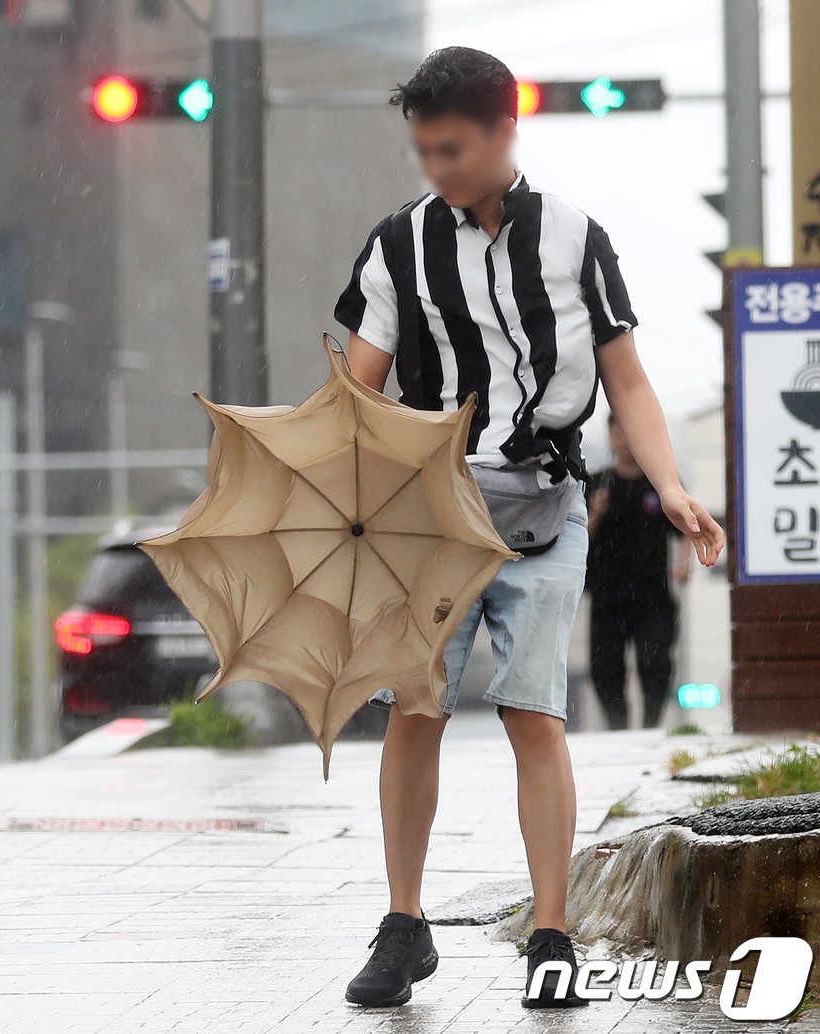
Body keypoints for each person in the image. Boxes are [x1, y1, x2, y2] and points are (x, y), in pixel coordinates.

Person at [332, 47, 724, 1010]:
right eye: (423, 151)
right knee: (414, 714)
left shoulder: (576, 238)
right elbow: (359, 389)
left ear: (506, 130)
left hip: (547, 510)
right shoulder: (398, 245)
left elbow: (625, 379)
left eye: (452, 149)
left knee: (534, 716)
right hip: (430, 523)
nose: (436, 168)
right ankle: (403, 923)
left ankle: (553, 934)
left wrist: (670, 485)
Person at [586, 413, 691, 729]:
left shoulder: (662, 484)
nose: (625, 441)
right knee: (605, 669)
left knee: (655, 663)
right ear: (610, 437)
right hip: (607, 595)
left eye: (630, 433)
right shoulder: (595, 483)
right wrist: (597, 513)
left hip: (652, 594)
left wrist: (683, 566)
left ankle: (651, 726)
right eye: (618, 433)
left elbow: (685, 529)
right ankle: (617, 728)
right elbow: (577, 537)